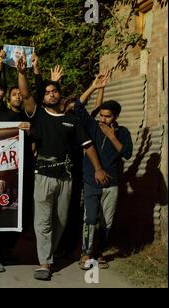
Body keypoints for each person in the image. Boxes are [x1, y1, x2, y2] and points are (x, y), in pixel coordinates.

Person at [18, 60, 110, 281]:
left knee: (60, 220)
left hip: (66, 179)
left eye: (54, 91)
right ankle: (44, 263)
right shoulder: (38, 115)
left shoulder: (72, 120)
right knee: (43, 222)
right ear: (43, 98)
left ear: (59, 95)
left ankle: (51, 253)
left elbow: (87, 145)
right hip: (43, 177)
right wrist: (22, 73)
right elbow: (26, 94)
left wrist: (98, 168)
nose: (51, 94)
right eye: (47, 92)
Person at [76, 73, 133, 270]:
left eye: (107, 116)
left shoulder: (122, 132)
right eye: (101, 115)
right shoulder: (92, 126)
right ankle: (85, 253)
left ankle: (99, 253)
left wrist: (112, 136)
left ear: (115, 117)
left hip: (112, 183)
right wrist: (94, 87)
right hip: (91, 181)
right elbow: (77, 106)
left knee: (106, 222)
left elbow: (126, 153)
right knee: (90, 219)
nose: (103, 118)